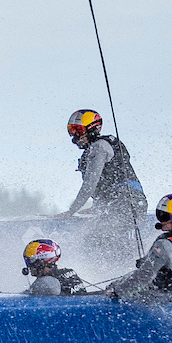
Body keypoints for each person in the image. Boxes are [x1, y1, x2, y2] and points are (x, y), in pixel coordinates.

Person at [62, 110, 146, 259]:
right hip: (131, 202)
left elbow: (90, 185)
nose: (74, 137)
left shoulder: (99, 147)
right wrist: (97, 207)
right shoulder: (107, 144)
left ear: (93, 129)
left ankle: (121, 267)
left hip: (126, 202)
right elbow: (109, 184)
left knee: (94, 239)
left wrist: (70, 211)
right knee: (107, 238)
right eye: (71, 130)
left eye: (78, 130)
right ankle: (124, 264)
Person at [111, 193, 172, 304]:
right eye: (159, 215)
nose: (161, 221)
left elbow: (144, 277)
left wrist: (116, 292)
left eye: (165, 216)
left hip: (153, 298)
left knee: (114, 287)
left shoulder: (164, 245)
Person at [20, 238, 88, 297]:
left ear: (39, 263)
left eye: (30, 262)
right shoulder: (68, 272)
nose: (29, 267)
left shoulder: (45, 283)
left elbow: (24, 299)